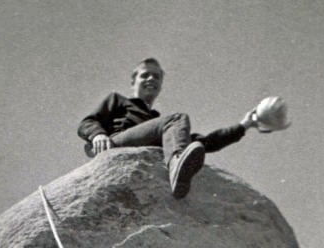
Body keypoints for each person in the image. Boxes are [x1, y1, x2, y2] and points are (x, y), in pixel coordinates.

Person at [78, 58, 258, 199]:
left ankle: (178, 163)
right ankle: (176, 165)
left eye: (156, 77)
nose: (151, 79)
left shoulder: (163, 125)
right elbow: (88, 122)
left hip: (151, 142)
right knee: (177, 120)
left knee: (190, 141)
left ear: (160, 86)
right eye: (145, 75)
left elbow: (207, 142)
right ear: (133, 82)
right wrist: (98, 135)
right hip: (115, 145)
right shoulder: (118, 100)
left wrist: (244, 125)